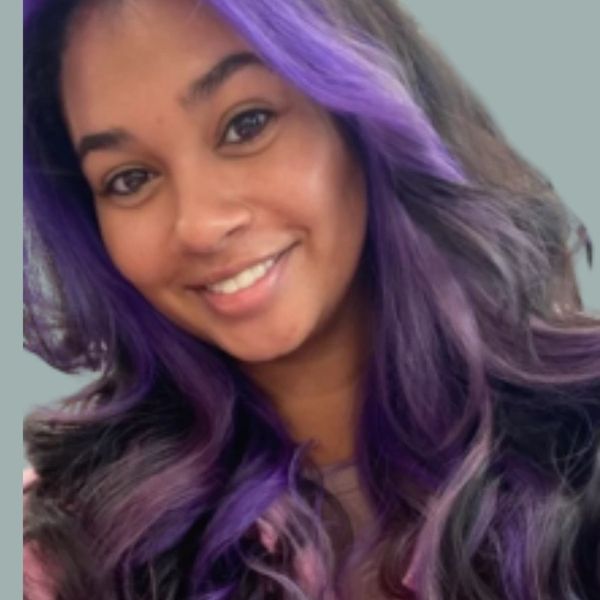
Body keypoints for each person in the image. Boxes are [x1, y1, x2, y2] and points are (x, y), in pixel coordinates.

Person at [22, 0, 600, 598]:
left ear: (363, 111)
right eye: (130, 179)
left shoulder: (582, 440)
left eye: (246, 124)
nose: (198, 225)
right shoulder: (71, 549)